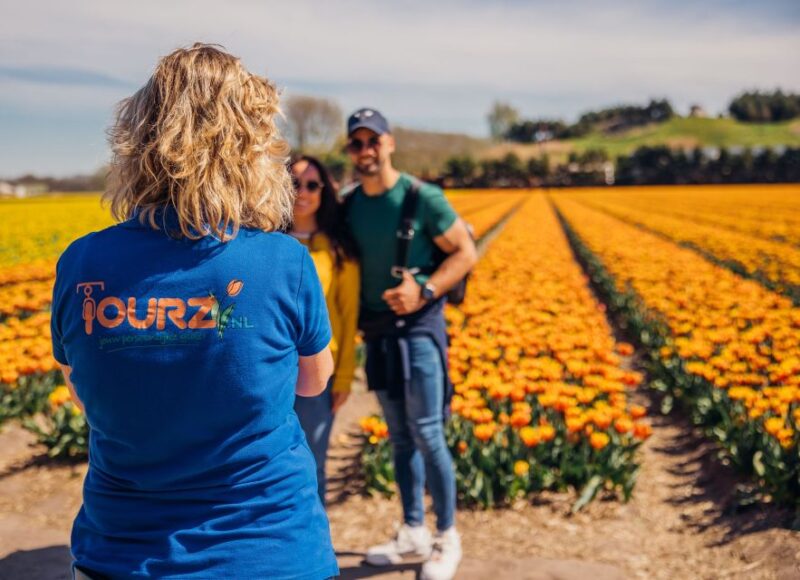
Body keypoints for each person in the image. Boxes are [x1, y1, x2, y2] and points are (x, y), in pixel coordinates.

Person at [50, 44, 339, 580]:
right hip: (267, 549)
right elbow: (313, 382)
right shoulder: (284, 263)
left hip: (122, 552)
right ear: (252, 147)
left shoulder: (83, 262)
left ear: (137, 141)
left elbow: (84, 394)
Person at [342, 108, 478, 580]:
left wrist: (423, 289)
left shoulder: (423, 199)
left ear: (390, 143)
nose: (366, 151)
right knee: (399, 437)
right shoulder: (351, 204)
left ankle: (447, 536)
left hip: (420, 327)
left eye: (372, 140)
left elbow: (465, 251)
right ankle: (413, 529)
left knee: (427, 430)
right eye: (356, 143)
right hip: (378, 333)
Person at [289, 154, 360, 504]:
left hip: (318, 373)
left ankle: (311, 549)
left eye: (312, 185)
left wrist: (344, 378)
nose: (302, 192)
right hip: (268, 371)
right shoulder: (264, 241)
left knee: (311, 463)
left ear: (324, 192)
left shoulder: (337, 250)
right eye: (294, 183)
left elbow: (348, 320)